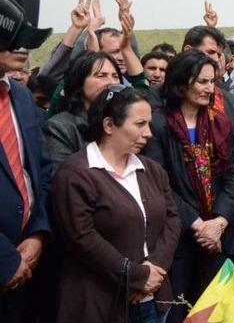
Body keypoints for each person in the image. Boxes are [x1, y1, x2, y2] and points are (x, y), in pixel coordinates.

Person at [52, 87, 180, 323]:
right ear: (109, 125)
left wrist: (154, 270)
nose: (148, 133)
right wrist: (135, 275)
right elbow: (81, 237)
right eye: (140, 124)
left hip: (153, 298)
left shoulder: (151, 170)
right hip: (100, 302)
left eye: (149, 124)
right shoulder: (76, 173)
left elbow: (172, 219)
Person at [141, 50, 234, 323]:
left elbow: (232, 176)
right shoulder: (159, 125)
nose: (210, 88)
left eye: (212, 81)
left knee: (220, 315)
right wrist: (199, 225)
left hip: (221, 237)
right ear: (181, 82)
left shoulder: (221, 123)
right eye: (202, 82)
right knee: (179, 312)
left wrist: (219, 222)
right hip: (181, 238)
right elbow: (159, 183)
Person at [0, 49, 51, 323]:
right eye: (12, 37)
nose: (22, 47)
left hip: (27, 263)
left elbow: (39, 169)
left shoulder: (20, 96)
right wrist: (5, 259)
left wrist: (37, 233)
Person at [43, 52, 123, 171]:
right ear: (80, 81)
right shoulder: (60, 127)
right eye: (101, 75)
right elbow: (64, 180)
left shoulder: (123, 121)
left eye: (116, 76)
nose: (111, 82)